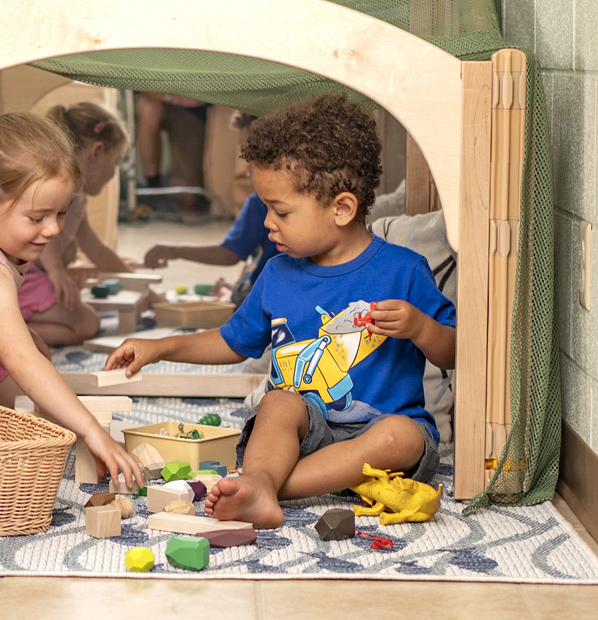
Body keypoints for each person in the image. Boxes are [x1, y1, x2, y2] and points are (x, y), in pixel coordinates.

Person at [103, 94, 455, 528]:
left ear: (342, 208)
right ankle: (263, 480)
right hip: (302, 437)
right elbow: (232, 342)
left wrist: (420, 327)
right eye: (265, 207)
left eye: (280, 211)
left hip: (377, 441)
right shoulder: (277, 273)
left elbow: (453, 354)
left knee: (401, 435)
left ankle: (263, 486)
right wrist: (159, 347)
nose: (267, 223)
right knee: (278, 404)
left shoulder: (404, 270)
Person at [0, 111, 143, 488]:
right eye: (37, 218)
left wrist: (78, 429)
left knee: (42, 420)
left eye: (61, 213)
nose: (52, 229)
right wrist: (92, 430)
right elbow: (18, 357)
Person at [19, 102, 134, 346]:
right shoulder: (60, 187)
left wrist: (135, 280)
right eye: (114, 162)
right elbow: (41, 229)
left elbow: (96, 249)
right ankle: (4, 333)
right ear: (97, 151)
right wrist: (57, 270)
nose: (113, 173)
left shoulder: (77, 194)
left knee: (84, 322)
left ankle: (12, 330)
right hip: (23, 279)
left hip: (36, 276)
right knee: (88, 322)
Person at [141, 192, 280, 307]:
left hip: (264, 296)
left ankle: (228, 294)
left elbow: (229, 255)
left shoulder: (259, 200)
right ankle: (230, 291)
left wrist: (176, 251)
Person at [133, 92, 210, 219]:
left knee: (187, 198)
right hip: (160, 97)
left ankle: (173, 183)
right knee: (149, 109)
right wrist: (173, 97)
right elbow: (134, 80)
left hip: (193, 108)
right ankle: (153, 187)